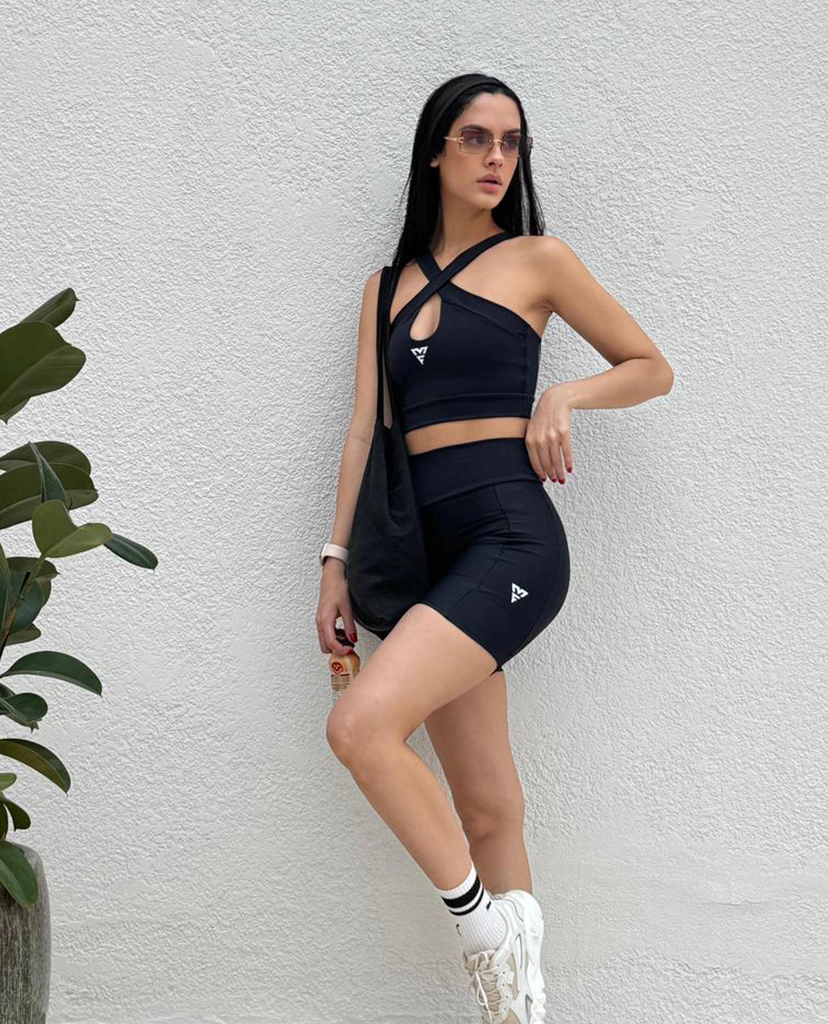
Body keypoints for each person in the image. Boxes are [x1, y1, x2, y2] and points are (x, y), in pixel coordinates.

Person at [315, 73, 674, 1022]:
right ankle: (517, 1009)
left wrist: (564, 395)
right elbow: (363, 432)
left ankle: (484, 927)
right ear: (436, 150)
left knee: (359, 729)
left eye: (512, 143)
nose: (496, 158)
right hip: (424, 557)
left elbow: (651, 367)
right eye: (476, 138)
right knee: (487, 807)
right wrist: (334, 563)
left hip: (512, 541)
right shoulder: (384, 291)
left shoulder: (537, 260)